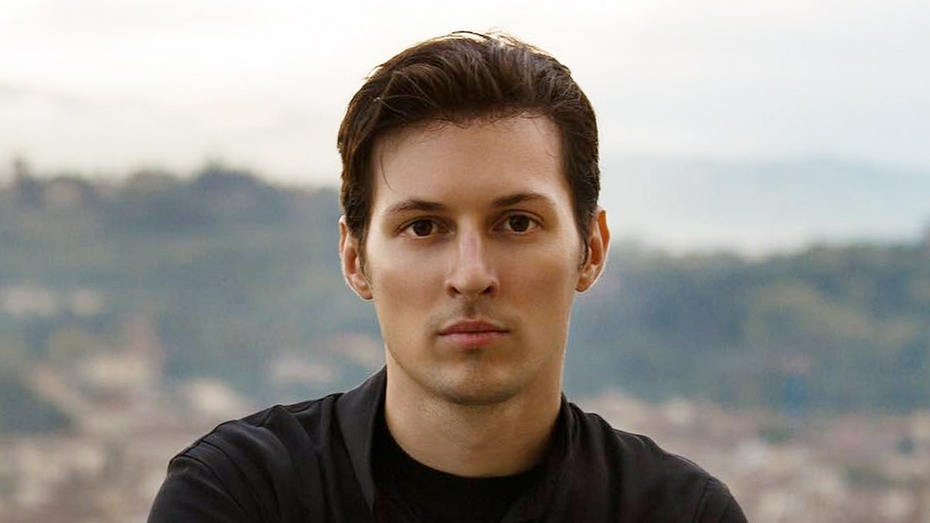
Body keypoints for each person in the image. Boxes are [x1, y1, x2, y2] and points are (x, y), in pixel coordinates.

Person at [147, 31, 748, 523]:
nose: (471, 275)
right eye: (423, 227)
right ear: (355, 259)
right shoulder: (240, 495)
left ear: (590, 248)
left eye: (517, 223)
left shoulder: (681, 513)